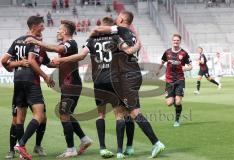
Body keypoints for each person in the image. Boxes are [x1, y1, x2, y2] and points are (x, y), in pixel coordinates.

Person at [52, 16, 141, 159]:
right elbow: (128, 51)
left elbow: (80, 56)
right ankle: (119, 151)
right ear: (109, 28)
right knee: (119, 115)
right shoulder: (116, 38)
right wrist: (137, 45)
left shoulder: (91, 40)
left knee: (101, 115)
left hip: (98, 81)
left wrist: (61, 60)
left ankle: (102, 148)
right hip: (114, 80)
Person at [91, 11, 165, 158]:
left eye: (118, 16)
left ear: (122, 19)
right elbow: (131, 49)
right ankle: (129, 147)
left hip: (127, 76)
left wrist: (100, 31)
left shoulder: (120, 30)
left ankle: (156, 143)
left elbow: (98, 29)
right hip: (132, 74)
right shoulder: (132, 34)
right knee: (127, 113)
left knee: (134, 112)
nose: (116, 18)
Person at [25, 20, 92, 158]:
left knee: (64, 115)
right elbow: (56, 52)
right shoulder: (65, 44)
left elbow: (57, 49)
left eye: (60, 29)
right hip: (70, 85)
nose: (58, 31)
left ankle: (71, 149)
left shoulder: (70, 43)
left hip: (71, 85)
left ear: (66, 32)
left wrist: (37, 42)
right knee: (68, 115)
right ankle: (84, 139)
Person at [1, 15, 54, 160]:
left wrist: (63, 61)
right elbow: (30, 61)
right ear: (34, 26)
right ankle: (19, 146)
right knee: (40, 115)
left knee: (20, 119)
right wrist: (45, 76)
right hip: (31, 81)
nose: (43, 27)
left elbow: (4, 61)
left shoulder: (18, 40)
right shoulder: (34, 42)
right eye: (41, 25)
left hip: (18, 81)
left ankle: (25, 149)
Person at [156, 34, 192, 127]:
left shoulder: (184, 53)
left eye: (177, 40)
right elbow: (162, 62)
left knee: (178, 101)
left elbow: (191, 66)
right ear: (172, 41)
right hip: (169, 80)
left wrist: (185, 68)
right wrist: (158, 70)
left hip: (180, 79)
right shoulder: (167, 52)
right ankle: (173, 98)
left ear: (180, 41)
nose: (176, 42)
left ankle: (177, 120)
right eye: (174, 40)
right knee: (169, 103)